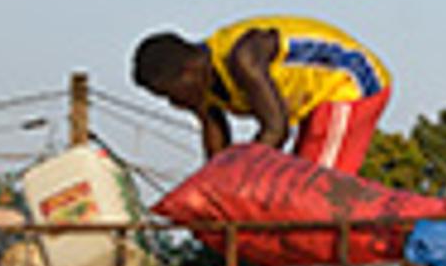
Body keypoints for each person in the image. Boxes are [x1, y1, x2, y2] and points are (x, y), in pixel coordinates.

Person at [130, 14, 393, 174]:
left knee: (316, 183)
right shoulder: (202, 87)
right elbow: (215, 141)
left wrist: (240, 175)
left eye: (169, 94)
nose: (173, 104)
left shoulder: (243, 59)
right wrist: (216, 181)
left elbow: (275, 130)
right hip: (312, 107)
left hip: (349, 82)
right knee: (298, 180)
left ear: (189, 73)